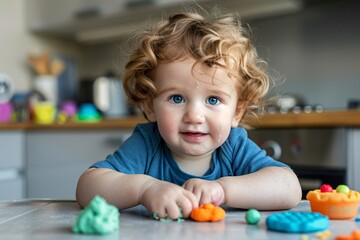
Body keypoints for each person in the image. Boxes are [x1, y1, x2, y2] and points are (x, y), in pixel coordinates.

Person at [76, 9, 302, 220]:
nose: (194, 116)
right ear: (150, 106)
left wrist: (223, 189)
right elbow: (87, 188)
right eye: (176, 98)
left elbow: (289, 187)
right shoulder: (148, 144)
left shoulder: (234, 147)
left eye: (213, 100)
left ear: (237, 112)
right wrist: (145, 189)